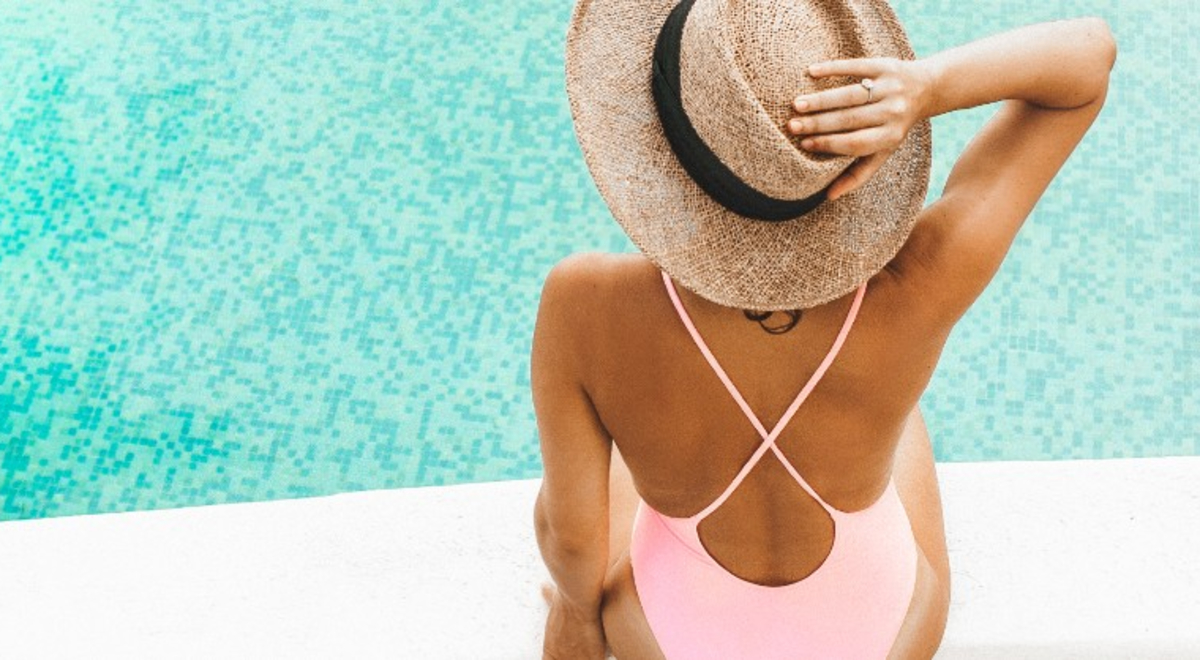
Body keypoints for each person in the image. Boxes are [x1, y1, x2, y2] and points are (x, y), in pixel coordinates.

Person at [532, 0, 1116, 656]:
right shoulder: (919, 281)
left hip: (675, 636)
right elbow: (1088, 59)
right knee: (896, 403)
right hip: (879, 631)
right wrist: (926, 87)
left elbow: (574, 539)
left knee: (617, 444)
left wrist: (577, 617)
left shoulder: (587, 302)